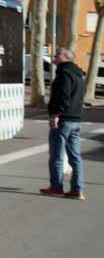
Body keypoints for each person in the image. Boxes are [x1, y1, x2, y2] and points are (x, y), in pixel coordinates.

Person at [40, 47, 87, 200]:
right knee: (75, 156)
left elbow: (64, 96)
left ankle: (56, 187)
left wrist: (56, 114)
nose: (54, 56)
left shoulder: (64, 74)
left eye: (58, 54)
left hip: (64, 119)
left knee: (56, 155)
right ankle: (77, 189)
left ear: (67, 57)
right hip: (76, 119)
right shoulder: (79, 75)